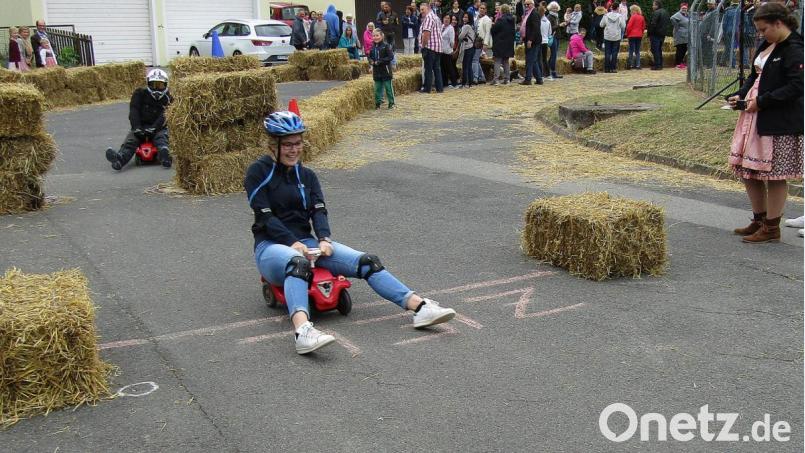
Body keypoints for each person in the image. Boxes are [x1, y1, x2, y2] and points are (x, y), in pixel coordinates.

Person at [245, 112, 457, 355]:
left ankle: (420, 308)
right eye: (288, 145)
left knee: (367, 262)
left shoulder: (307, 175)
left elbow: (318, 209)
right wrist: (291, 242)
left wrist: (324, 238)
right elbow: (264, 216)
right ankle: (303, 332)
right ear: (274, 145)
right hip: (271, 247)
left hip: (307, 242)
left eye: (298, 143)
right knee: (298, 264)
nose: (294, 150)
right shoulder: (259, 172)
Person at [727, 2, 803, 243]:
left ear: (779, 23)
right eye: (759, 30)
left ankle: (772, 227)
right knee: (749, 171)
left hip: (776, 120)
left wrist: (762, 101)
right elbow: (754, 75)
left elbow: (796, 86)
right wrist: (741, 94)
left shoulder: (794, 48)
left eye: (764, 29)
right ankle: (759, 219)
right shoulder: (768, 44)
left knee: (774, 175)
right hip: (753, 116)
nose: (761, 34)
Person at [105, 69, 172, 171]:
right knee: (131, 140)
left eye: (160, 85)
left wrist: (154, 128)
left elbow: (165, 115)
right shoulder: (139, 94)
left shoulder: (169, 98)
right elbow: (134, 110)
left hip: (159, 128)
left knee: (161, 138)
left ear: (165, 85)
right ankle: (120, 159)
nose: (157, 89)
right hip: (141, 126)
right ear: (148, 84)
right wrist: (136, 127)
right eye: (153, 85)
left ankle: (165, 156)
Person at [419, 2, 445, 93]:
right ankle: (439, 88)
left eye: (423, 9)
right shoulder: (436, 17)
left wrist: (423, 46)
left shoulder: (428, 18)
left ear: (428, 8)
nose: (421, 11)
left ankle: (427, 88)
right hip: (438, 47)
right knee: (437, 69)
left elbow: (426, 33)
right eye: (420, 10)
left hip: (429, 47)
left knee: (428, 69)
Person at [368, 29, 395, 108]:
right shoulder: (372, 47)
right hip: (376, 71)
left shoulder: (386, 46)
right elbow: (369, 57)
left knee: (388, 88)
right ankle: (377, 103)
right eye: (374, 36)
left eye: (377, 35)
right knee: (377, 89)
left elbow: (390, 57)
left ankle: (391, 103)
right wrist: (371, 61)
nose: (375, 37)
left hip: (385, 70)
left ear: (382, 36)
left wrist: (380, 61)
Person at [520, 1, 544, 85]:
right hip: (529, 39)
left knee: (530, 60)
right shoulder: (528, 13)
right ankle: (539, 79)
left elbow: (535, 28)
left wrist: (530, 40)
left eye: (528, 4)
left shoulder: (534, 14)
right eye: (525, 4)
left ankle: (528, 79)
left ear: (532, 4)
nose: (526, 5)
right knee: (533, 60)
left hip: (533, 40)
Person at [491, 4, 516, 84]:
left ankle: (496, 79)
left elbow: (493, 30)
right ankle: (507, 79)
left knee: (497, 60)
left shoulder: (500, 20)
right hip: (508, 43)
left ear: (502, 10)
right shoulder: (512, 20)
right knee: (506, 61)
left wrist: (493, 26)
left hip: (500, 43)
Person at [601, 3, 626, 72]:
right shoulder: (620, 16)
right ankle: (613, 68)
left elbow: (601, 25)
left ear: (612, 8)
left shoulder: (606, 15)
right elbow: (623, 26)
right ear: (617, 8)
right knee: (615, 52)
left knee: (607, 52)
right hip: (616, 36)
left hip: (607, 36)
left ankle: (606, 68)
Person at [648, 0, 671, 70]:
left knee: (655, 50)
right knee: (659, 49)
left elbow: (653, 24)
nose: (652, 6)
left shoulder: (656, 12)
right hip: (662, 34)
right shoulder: (665, 12)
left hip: (655, 34)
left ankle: (657, 65)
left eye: (653, 5)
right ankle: (660, 64)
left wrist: (649, 33)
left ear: (657, 6)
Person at [440, 14, 460, 87]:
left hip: (447, 51)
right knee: (442, 68)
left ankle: (454, 83)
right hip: (441, 50)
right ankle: (444, 83)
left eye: (448, 18)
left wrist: (451, 48)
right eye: (445, 18)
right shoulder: (442, 26)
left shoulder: (451, 28)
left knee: (450, 68)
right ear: (443, 19)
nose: (446, 19)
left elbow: (452, 41)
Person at [458, 13, 476, 87]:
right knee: (469, 66)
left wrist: (459, 35)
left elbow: (460, 37)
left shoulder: (466, 26)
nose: (464, 19)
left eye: (466, 17)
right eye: (464, 17)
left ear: (469, 19)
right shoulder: (471, 26)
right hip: (472, 47)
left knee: (465, 66)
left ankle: (464, 83)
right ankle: (470, 83)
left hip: (467, 47)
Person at [546, 1, 563, 79]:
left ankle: (548, 71)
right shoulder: (549, 16)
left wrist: (561, 25)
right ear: (550, 8)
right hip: (553, 37)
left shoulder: (556, 16)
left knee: (554, 54)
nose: (555, 9)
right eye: (553, 8)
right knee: (553, 55)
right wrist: (559, 25)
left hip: (557, 36)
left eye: (556, 8)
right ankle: (552, 72)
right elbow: (550, 28)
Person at [626, 5, 646, 69]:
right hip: (639, 35)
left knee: (631, 50)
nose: (630, 12)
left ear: (633, 10)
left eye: (631, 10)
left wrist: (627, 34)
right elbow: (643, 27)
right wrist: (641, 33)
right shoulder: (642, 17)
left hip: (632, 35)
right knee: (637, 51)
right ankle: (638, 65)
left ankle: (630, 64)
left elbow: (629, 27)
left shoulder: (633, 17)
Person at [671, 3, 690, 68]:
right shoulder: (678, 14)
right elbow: (672, 18)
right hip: (680, 35)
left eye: (685, 8)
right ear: (680, 8)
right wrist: (677, 26)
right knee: (680, 49)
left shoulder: (686, 15)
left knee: (684, 49)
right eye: (683, 8)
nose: (684, 9)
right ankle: (678, 64)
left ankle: (681, 62)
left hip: (685, 36)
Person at [700, 0, 718, 65]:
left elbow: (714, 24)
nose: (709, 5)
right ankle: (705, 63)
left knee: (709, 49)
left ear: (715, 4)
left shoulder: (715, 12)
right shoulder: (708, 11)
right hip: (704, 33)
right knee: (704, 48)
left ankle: (710, 64)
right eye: (708, 4)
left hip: (708, 34)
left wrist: (710, 34)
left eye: (711, 4)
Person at [540, 4, 553, 77]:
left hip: (539, 41)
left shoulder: (538, 21)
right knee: (544, 58)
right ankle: (547, 73)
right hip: (545, 41)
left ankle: (541, 73)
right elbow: (550, 33)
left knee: (539, 58)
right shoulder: (547, 21)